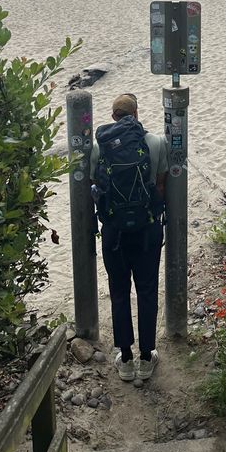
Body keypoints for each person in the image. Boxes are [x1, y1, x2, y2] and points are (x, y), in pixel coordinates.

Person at [90, 93, 168, 382]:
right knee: (147, 291)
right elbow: (161, 186)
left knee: (119, 291)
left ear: (113, 117)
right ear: (136, 114)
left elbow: (94, 186)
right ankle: (147, 358)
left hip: (114, 234)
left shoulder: (100, 148)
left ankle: (125, 359)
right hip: (147, 229)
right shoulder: (156, 142)